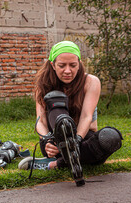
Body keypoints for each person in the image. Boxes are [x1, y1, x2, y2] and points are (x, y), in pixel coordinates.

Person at [19, 41, 123, 175]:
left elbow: (86, 116)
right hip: (56, 144)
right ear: (53, 65)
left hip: (83, 140)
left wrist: (75, 142)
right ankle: (68, 158)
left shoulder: (91, 82)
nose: (68, 71)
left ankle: (54, 164)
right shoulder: (43, 84)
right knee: (55, 98)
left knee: (111, 137)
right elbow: (40, 121)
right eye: (62, 66)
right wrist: (47, 140)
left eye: (73, 65)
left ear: (79, 64)